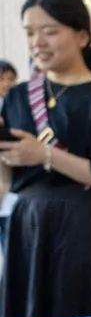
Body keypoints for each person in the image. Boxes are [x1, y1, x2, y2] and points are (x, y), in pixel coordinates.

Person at [0, 0, 91, 317]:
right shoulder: (16, 97)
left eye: (50, 31)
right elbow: (7, 178)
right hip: (27, 224)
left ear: (82, 36)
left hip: (82, 226)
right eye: (30, 33)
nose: (37, 42)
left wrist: (43, 154)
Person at [0, 60, 17, 247]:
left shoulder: (18, 109)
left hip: (10, 191)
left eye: (11, 79)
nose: (7, 83)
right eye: (2, 79)